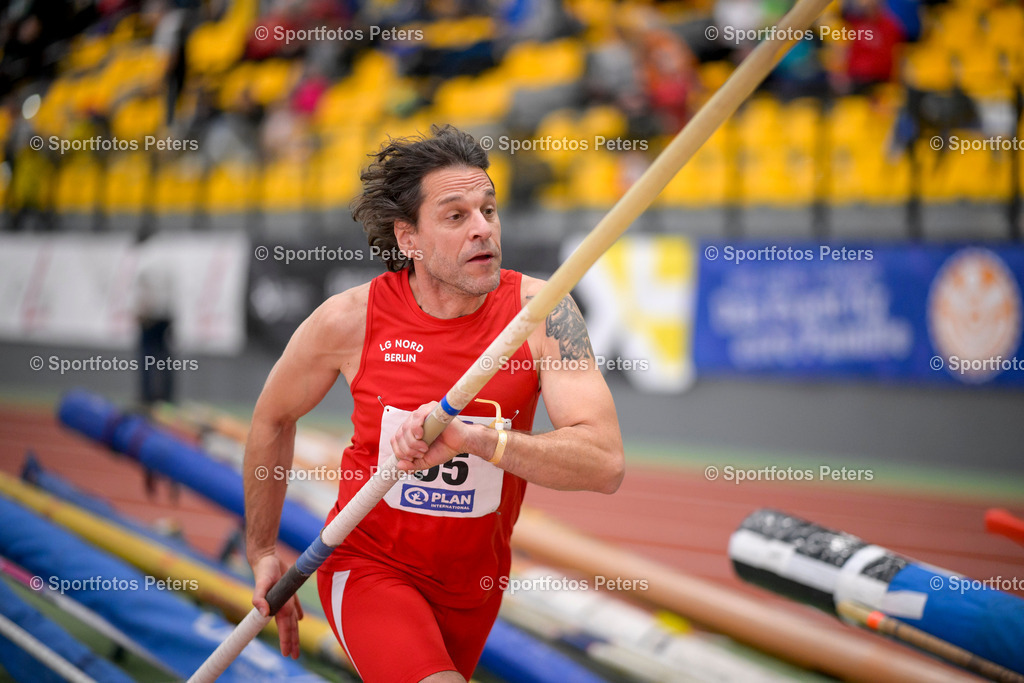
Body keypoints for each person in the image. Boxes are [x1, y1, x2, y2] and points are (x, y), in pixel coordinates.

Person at [244, 124, 624, 683]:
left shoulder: (541, 314)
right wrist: (261, 551)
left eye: (488, 210)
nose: (482, 228)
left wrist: (476, 439)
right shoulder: (351, 320)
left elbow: (604, 463)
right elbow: (273, 417)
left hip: (475, 586)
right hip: (368, 566)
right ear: (409, 238)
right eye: (455, 216)